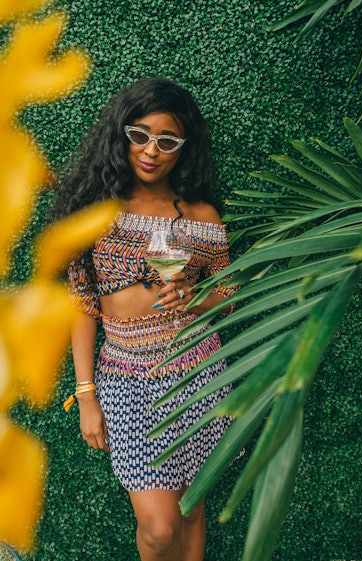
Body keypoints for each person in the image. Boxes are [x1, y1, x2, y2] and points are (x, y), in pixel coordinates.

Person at [54, 77, 237, 561]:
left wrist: (195, 297)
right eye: (139, 135)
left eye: (167, 140)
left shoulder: (201, 217)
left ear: (183, 147)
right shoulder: (94, 215)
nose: (151, 150)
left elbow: (230, 294)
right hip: (127, 379)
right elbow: (83, 306)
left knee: (192, 510)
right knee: (158, 528)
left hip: (198, 374)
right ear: (122, 135)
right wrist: (85, 392)